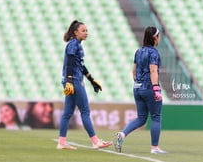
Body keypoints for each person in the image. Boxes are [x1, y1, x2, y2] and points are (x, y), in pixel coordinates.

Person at [57, 20, 112, 150]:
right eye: (83, 31)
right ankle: (95, 141)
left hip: (72, 79)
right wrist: (70, 80)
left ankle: (61, 142)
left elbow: (80, 65)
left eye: (87, 30)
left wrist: (91, 80)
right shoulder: (73, 44)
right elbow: (70, 62)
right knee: (85, 110)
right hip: (74, 80)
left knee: (68, 112)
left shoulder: (77, 45)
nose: (86, 33)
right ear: (76, 32)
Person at [114, 26, 167, 154]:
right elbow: (153, 71)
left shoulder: (138, 51)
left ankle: (123, 134)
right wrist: (156, 89)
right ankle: (154, 148)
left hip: (137, 87)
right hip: (149, 87)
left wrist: (139, 83)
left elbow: (133, 71)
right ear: (155, 37)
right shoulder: (153, 52)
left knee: (141, 118)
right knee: (156, 117)